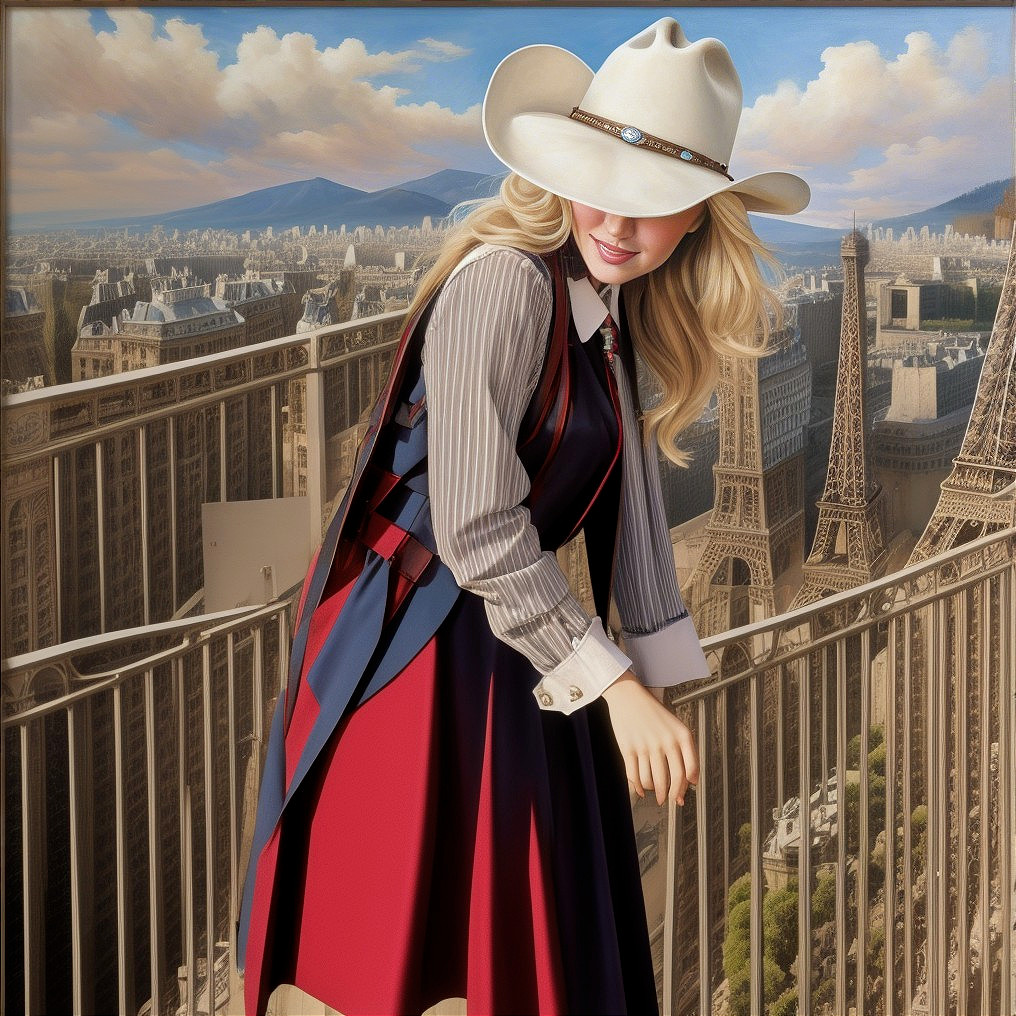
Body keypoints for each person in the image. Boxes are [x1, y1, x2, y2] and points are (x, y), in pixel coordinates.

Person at [237, 16, 809, 1016]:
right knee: (458, 945)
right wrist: (620, 686)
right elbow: (475, 524)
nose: (618, 222)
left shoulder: (602, 311)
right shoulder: (503, 283)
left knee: (516, 936)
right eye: (603, 182)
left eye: (654, 201)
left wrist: (654, 673)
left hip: (508, 641)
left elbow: (631, 506)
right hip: (419, 650)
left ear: (696, 219)